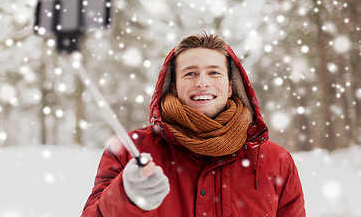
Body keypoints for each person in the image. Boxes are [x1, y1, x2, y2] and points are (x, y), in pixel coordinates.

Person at [81, 33, 306, 216]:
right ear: (173, 87)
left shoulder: (276, 161)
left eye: (214, 72)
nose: (202, 82)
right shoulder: (130, 150)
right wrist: (125, 195)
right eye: (190, 73)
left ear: (230, 87)